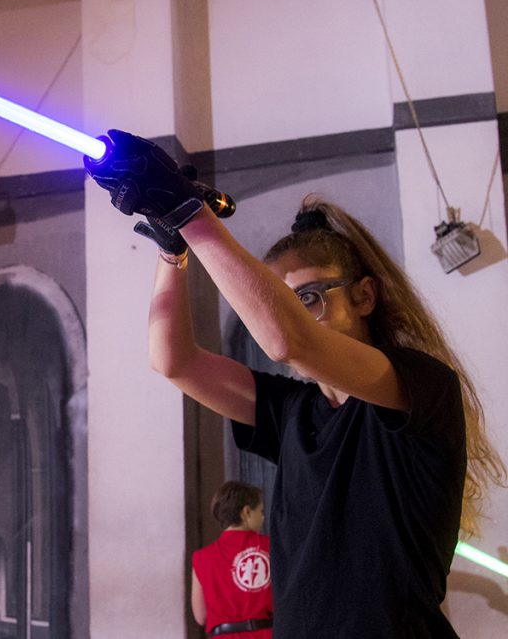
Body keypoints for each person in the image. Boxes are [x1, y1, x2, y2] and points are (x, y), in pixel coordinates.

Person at [85, 130, 506, 638]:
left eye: (307, 298)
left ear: (365, 296)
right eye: (282, 301)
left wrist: (188, 213)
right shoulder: (292, 410)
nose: (292, 314)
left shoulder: (420, 384)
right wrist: (173, 248)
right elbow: (173, 361)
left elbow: (289, 340)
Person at [191, 481, 273, 638]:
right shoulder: (271, 547)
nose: (263, 518)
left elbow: (201, 616)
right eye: (260, 511)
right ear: (246, 512)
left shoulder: (202, 557)